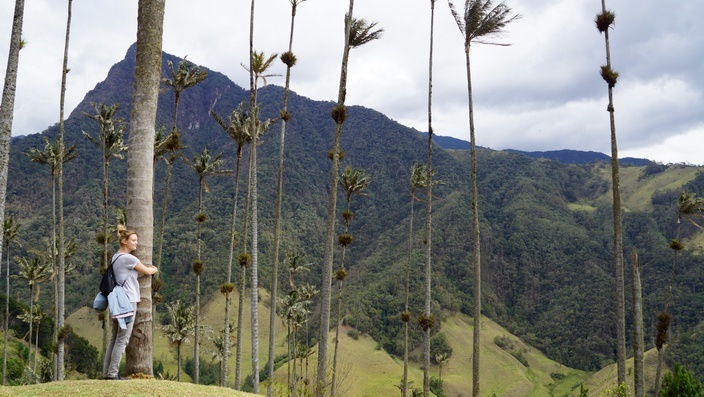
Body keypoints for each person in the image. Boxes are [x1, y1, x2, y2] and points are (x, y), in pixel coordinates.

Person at [103, 225, 158, 380]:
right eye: (133, 240)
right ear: (124, 241)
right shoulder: (129, 259)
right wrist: (153, 269)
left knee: (114, 338)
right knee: (123, 339)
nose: (136, 243)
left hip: (116, 301)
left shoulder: (115, 257)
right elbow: (148, 271)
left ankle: (106, 373)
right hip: (127, 302)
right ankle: (112, 374)